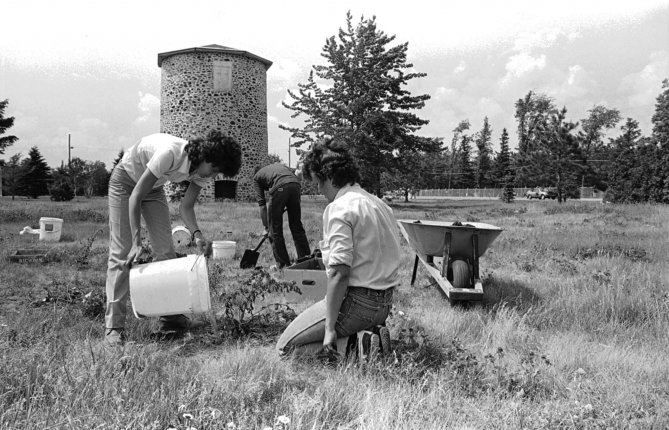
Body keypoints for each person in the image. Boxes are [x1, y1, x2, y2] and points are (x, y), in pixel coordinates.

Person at [104, 130, 242, 345]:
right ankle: (113, 328)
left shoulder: (201, 173)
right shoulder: (170, 153)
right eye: (214, 169)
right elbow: (135, 196)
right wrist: (136, 242)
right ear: (205, 155)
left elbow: (185, 207)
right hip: (126, 183)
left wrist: (197, 235)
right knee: (122, 255)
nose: (213, 175)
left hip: (154, 189)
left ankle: (170, 318)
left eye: (218, 173)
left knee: (165, 252)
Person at [276, 137, 401, 359]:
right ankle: (369, 338)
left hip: (356, 304)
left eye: (318, 182)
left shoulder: (340, 208)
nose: (319, 189)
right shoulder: (380, 205)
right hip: (384, 305)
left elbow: (339, 273)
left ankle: (356, 347)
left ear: (330, 177)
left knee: (284, 349)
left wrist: (329, 329)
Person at [253, 162, 311, 269]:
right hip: (295, 185)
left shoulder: (256, 178)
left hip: (279, 187)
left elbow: (262, 206)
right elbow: (292, 178)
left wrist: (266, 227)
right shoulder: (278, 166)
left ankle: (283, 264)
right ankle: (306, 260)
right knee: (296, 226)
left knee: (274, 230)